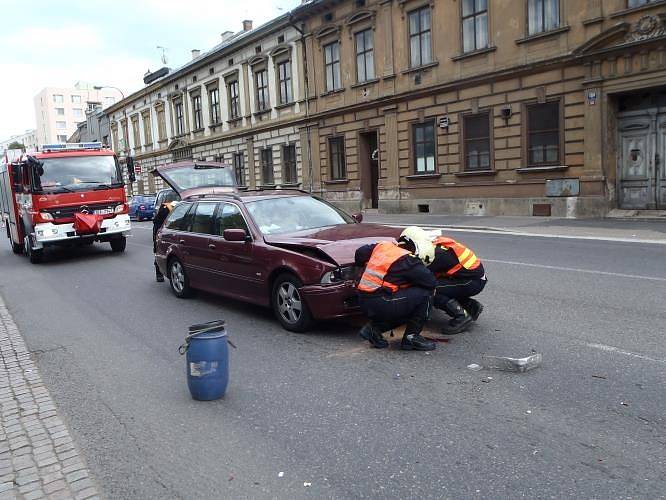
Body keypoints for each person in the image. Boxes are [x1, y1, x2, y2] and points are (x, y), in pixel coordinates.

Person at [399, 226, 486, 335]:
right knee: (441, 285)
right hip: (470, 278)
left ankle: (461, 316)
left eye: (410, 247)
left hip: (472, 282)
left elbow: (421, 278)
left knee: (430, 289)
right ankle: (470, 306)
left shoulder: (436, 254)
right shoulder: (433, 244)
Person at [355, 240, 436, 351]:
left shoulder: (384, 246)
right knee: (426, 294)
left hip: (363, 299)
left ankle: (373, 330)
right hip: (382, 301)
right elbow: (430, 282)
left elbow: (360, 253)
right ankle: (411, 337)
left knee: (408, 304)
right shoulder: (409, 260)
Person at [152, 200, 177, 282]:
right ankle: (159, 273)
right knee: (159, 250)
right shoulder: (165, 209)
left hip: (168, 230)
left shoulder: (175, 208)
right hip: (160, 230)